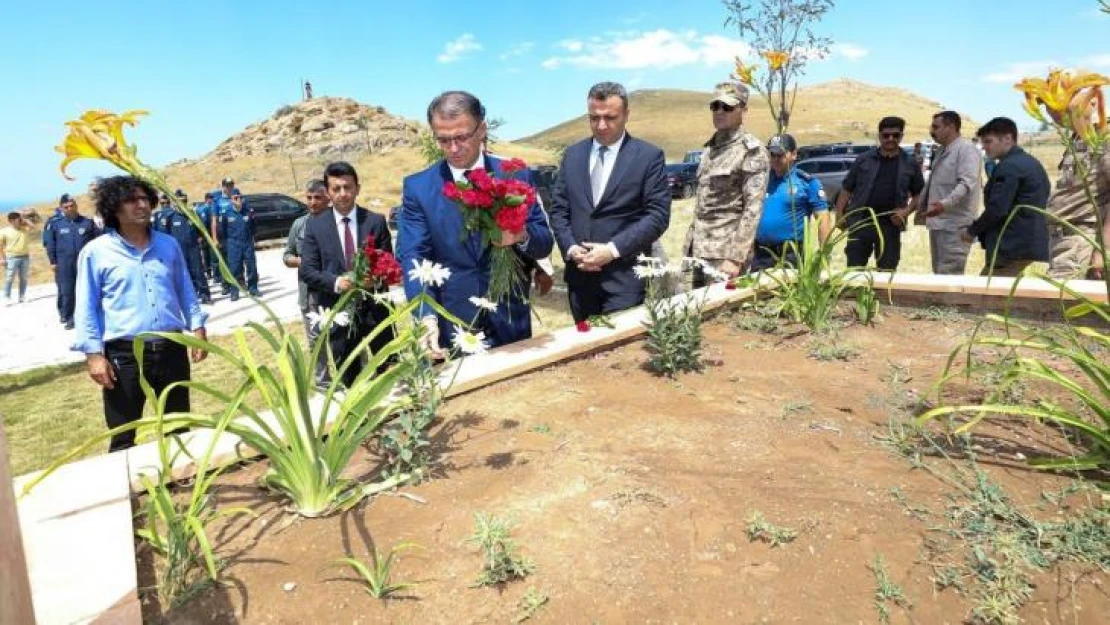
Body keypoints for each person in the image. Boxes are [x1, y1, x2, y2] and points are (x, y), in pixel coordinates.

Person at [397, 91, 554, 356]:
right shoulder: (418, 189)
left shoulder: (515, 175)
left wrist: (521, 234)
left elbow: (544, 241)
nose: (453, 149)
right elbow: (414, 257)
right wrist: (426, 315)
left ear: (481, 129)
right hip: (452, 324)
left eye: (461, 137)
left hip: (510, 319)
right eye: (443, 140)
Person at [73, 176, 208, 452]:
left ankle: (183, 487)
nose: (142, 205)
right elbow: (86, 306)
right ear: (114, 209)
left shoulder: (168, 245)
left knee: (178, 425)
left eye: (145, 198)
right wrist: (94, 355)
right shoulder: (96, 253)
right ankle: (129, 491)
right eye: (132, 200)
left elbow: (184, 288)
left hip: (172, 347)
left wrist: (197, 326)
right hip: (125, 354)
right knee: (124, 431)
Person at [548, 82, 670, 321]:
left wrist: (612, 250)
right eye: (594, 118)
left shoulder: (647, 156)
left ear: (626, 115)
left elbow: (657, 216)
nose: (601, 125)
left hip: (624, 280)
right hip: (580, 280)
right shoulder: (573, 155)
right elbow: (559, 209)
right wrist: (572, 249)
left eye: (610, 117)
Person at [300, 162, 393, 387]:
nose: (343, 194)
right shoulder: (315, 226)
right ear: (328, 192)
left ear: (357, 188)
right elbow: (308, 271)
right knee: (349, 376)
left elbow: (389, 263)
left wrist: (377, 277)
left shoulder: (375, 221)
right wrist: (337, 282)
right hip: (338, 313)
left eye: (348, 187)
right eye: (336, 189)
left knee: (390, 369)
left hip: (375, 310)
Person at [683, 81, 768, 284]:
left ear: (743, 110)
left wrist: (736, 258)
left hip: (725, 256)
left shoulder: (751, 151)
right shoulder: (709, 150)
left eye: (727, 107)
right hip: (696, 249)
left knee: (721, 313)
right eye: (715, 106)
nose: (720, 112)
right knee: (691, 312)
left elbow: (753, 209)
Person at [960, 117, 1051, 277]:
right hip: (1026, 242)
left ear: (1008, 139)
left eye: (988, 142)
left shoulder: (1009, 167)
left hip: (1012, 245)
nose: (984, 147)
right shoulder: (1029, 162)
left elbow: (998, 209)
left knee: (988, 295)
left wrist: (972, 231)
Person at [835, 116, 925, 271]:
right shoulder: (863, 160)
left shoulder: (910, 163)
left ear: (901, 136)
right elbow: (847, 188)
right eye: (886, 135)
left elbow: (919, 194)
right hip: (861, 223)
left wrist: (906, 212)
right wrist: (839, 214)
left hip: (890, 227)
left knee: (887, 271)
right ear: (880, 136)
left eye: (895, 135)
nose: (890, 139)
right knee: (854, 271)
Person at [913, 111, 983, 275]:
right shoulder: (942, 151)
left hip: (955, 226)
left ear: (950, 127)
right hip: (939, 223)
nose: (932, 131)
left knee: (950, 276)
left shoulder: (966, 150)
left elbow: (967, 183)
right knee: (939, 274)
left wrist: (945, 204)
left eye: (936, 127)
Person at [751, 134, 829, 270]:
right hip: (762, 254)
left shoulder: (806, 183)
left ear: (793, 154)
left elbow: (823, 219)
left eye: (780, 154)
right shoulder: (762, 181)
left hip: (790, 254)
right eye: (772, 154)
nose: (775, 158)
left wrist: (824, 255)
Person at [284, 179, 331, 385]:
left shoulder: (335, 221)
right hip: (310, 292)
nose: (312, 202)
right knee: (315, 339)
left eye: (317, 197)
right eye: (309, 198)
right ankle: (323, 381)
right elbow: (287, 256)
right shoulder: (299, 225)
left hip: (335, 288)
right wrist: (304, 261)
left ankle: (354, 374)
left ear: (327, 197)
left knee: (344, 335)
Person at [1046, 138, 1110, 280]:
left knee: (1060, 298)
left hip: (1082, 240)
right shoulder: (1079, 136)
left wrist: (1103, 251)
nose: (1053, 115)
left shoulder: (1103, 135)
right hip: (1068, 240)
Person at [44, 192, 98, 328]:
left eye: (71, 205)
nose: (69, 208)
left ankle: (86, 315)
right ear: (61, 208)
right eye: (66, 207)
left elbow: (96, 243)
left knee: (85, 289)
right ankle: (68, 317)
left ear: (76, 205)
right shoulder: (56, 224)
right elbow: (50, 244)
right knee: (67, 290)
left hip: (84, 262)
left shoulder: (87, 222)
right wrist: (53, 261)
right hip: (64, 263)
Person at [156, 190, 211, 304]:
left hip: (193, 248)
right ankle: (191, 296)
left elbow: (201, 229)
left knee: (199, 271)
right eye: (180, 201)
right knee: (184, 274)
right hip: (178, 250)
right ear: (175, 202)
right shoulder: (169, 216)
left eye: (185, 201)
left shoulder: (193, 214)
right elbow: (164, 234)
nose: (183, 204)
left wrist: (200, 238)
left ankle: (205, 294)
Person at [219, 189, 260, 300]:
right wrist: (226, 243)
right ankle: (234, 291)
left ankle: (253, 288)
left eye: (239, 197)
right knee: (234, 268)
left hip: (247, 243)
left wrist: (253, 240)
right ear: (231, 200)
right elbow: (222, 230)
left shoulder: (248, 211)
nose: (238, 200)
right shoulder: (226, 213)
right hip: (233, 244)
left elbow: (253, 227)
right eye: (235, 198)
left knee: (251, 266)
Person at [211, 178, 238, 294]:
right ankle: (225, 284)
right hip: (223, 237)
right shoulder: (217, 201)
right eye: (227, 186)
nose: (229, 188)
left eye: (231, 185)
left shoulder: (237, 198)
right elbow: (214, 221)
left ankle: (237, 283)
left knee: (236, 261)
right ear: (222, 187)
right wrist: (214, 238)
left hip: (235, 235)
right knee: (224, 262)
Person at [1, 212, 32, 305]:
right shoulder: (4, 231)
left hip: (25, 256)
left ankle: (22, 296)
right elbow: (0, 246)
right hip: (11, 257)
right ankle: (6, 296)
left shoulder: (24, 229)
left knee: (23, 278)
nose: (20, 221)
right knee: (9, 278)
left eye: (20, 219)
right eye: (18, 219)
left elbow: (33, 226)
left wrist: (24, 219)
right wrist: (2, 259)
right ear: (11, 221)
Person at [195, 192, 218, 280]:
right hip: (204, 235)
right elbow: (198, 224)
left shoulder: (213, 208)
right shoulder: (200, 210)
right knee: (206, 255)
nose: (211, 200)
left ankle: (216, 274)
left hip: (212, 235)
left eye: (212, 198)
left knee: (214, 255)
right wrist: (199, 235)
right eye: (210, 198)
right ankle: (208, 272)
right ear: (206, 199)